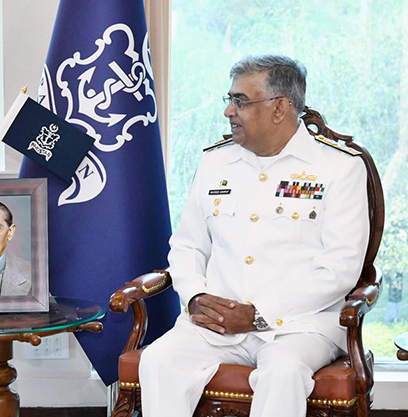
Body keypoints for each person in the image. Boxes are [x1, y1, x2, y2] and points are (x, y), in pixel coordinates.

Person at [139, 55, 369, 417]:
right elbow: (187, 246)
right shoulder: (216, 163)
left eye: (241, 101)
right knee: (157, 362)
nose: (229, 111)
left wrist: (259, 315)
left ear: (280, 107)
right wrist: (196, 298)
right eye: (229, 100)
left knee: (283, 372)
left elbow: (340, 267)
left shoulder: (339, 168)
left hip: (300, 326)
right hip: (217, 323)